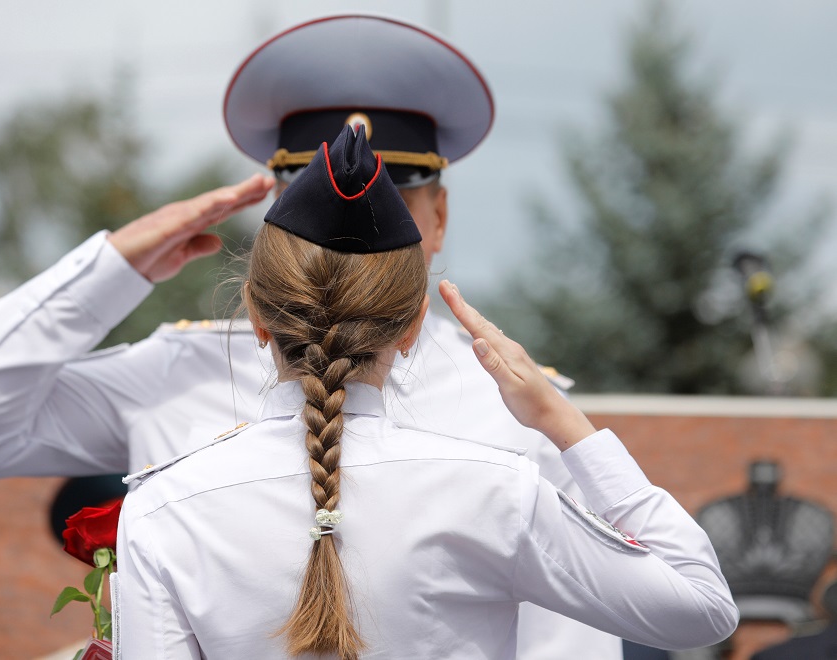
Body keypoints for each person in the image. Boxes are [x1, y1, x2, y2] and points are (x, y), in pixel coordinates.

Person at [0, 14, 618, 657]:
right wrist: (113, 267)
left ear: (438, 219)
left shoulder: (517, 406)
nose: (357, 228)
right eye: (312, 200)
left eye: (394, 197)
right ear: (276, 218)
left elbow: (567, 645)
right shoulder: (178, 368)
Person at [115, 125, 738, 659]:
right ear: (415, 324)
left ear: (255, 315)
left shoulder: (161, 507)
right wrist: (559, 419)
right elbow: (703, 608)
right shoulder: (496, 491)